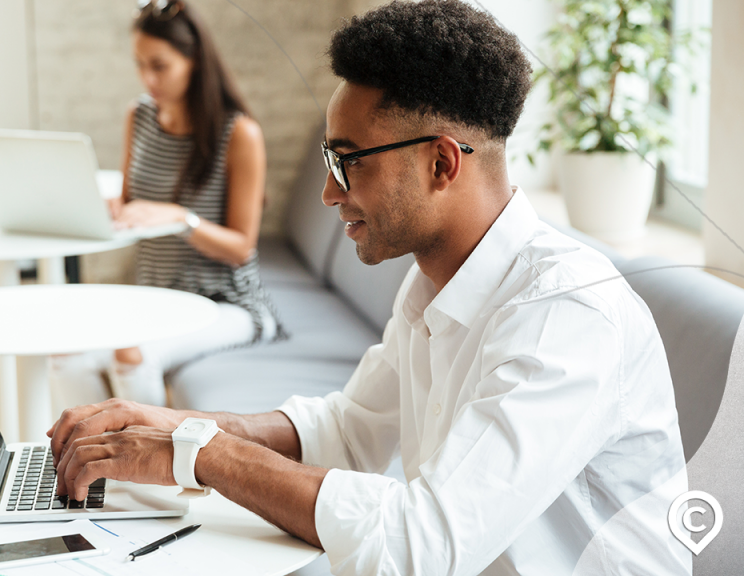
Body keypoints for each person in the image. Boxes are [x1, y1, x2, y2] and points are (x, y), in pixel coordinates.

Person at [46, 1, 690, 574]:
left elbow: (419, 544)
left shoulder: (565, 317)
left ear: (442, 162)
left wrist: (200, 452)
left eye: (348, 162)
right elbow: (350, 432)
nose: (330, 192)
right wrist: (166, 425)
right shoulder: (431, 282)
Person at [101, 0, 282, 405]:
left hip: (227, 304)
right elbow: (130, 202)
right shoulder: (140, 117)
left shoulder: (239, 134)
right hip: (157, 297)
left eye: (160, 65)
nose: (148, 78)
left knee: (131, 355)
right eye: (140, 64)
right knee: (68, 354)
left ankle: (142, 468)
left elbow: (241, 248)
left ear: (194, 59)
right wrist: (112, 207)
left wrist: (182, 219)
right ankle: (89, 467)